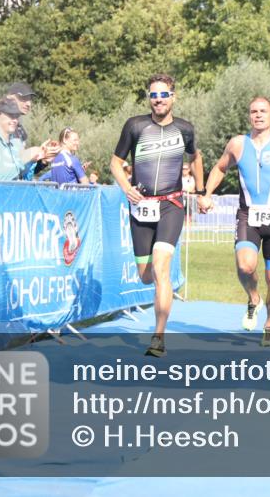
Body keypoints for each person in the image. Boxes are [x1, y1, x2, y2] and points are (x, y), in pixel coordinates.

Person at [197, 96, 270, 348]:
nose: (258, 115)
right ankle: (254, 299)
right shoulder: (238, 144)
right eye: (254, 111)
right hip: (247, 216)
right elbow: (220, 168)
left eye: (263, 111)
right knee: (245, 266)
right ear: (249, 116)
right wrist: (207, 194)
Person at [111, 73, 204, 358]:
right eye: (154, 95)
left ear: (173, 97)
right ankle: (157, 304)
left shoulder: (185, 129)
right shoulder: (135, 126)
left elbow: (195, 157)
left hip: (171, 205)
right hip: (141, 206)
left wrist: (200, 192)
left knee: (162, 268)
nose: (159, 100)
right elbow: (116, 163)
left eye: (164, 95)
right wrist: (127, 189)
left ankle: (158, 336)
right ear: (148, 98)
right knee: (146, 276)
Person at [0, 100, 54, 181]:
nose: (15, 120)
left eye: (16, 116)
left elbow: (22, 177)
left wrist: (38, 159)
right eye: (10, 115)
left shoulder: (16, 144)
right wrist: (24, 157)